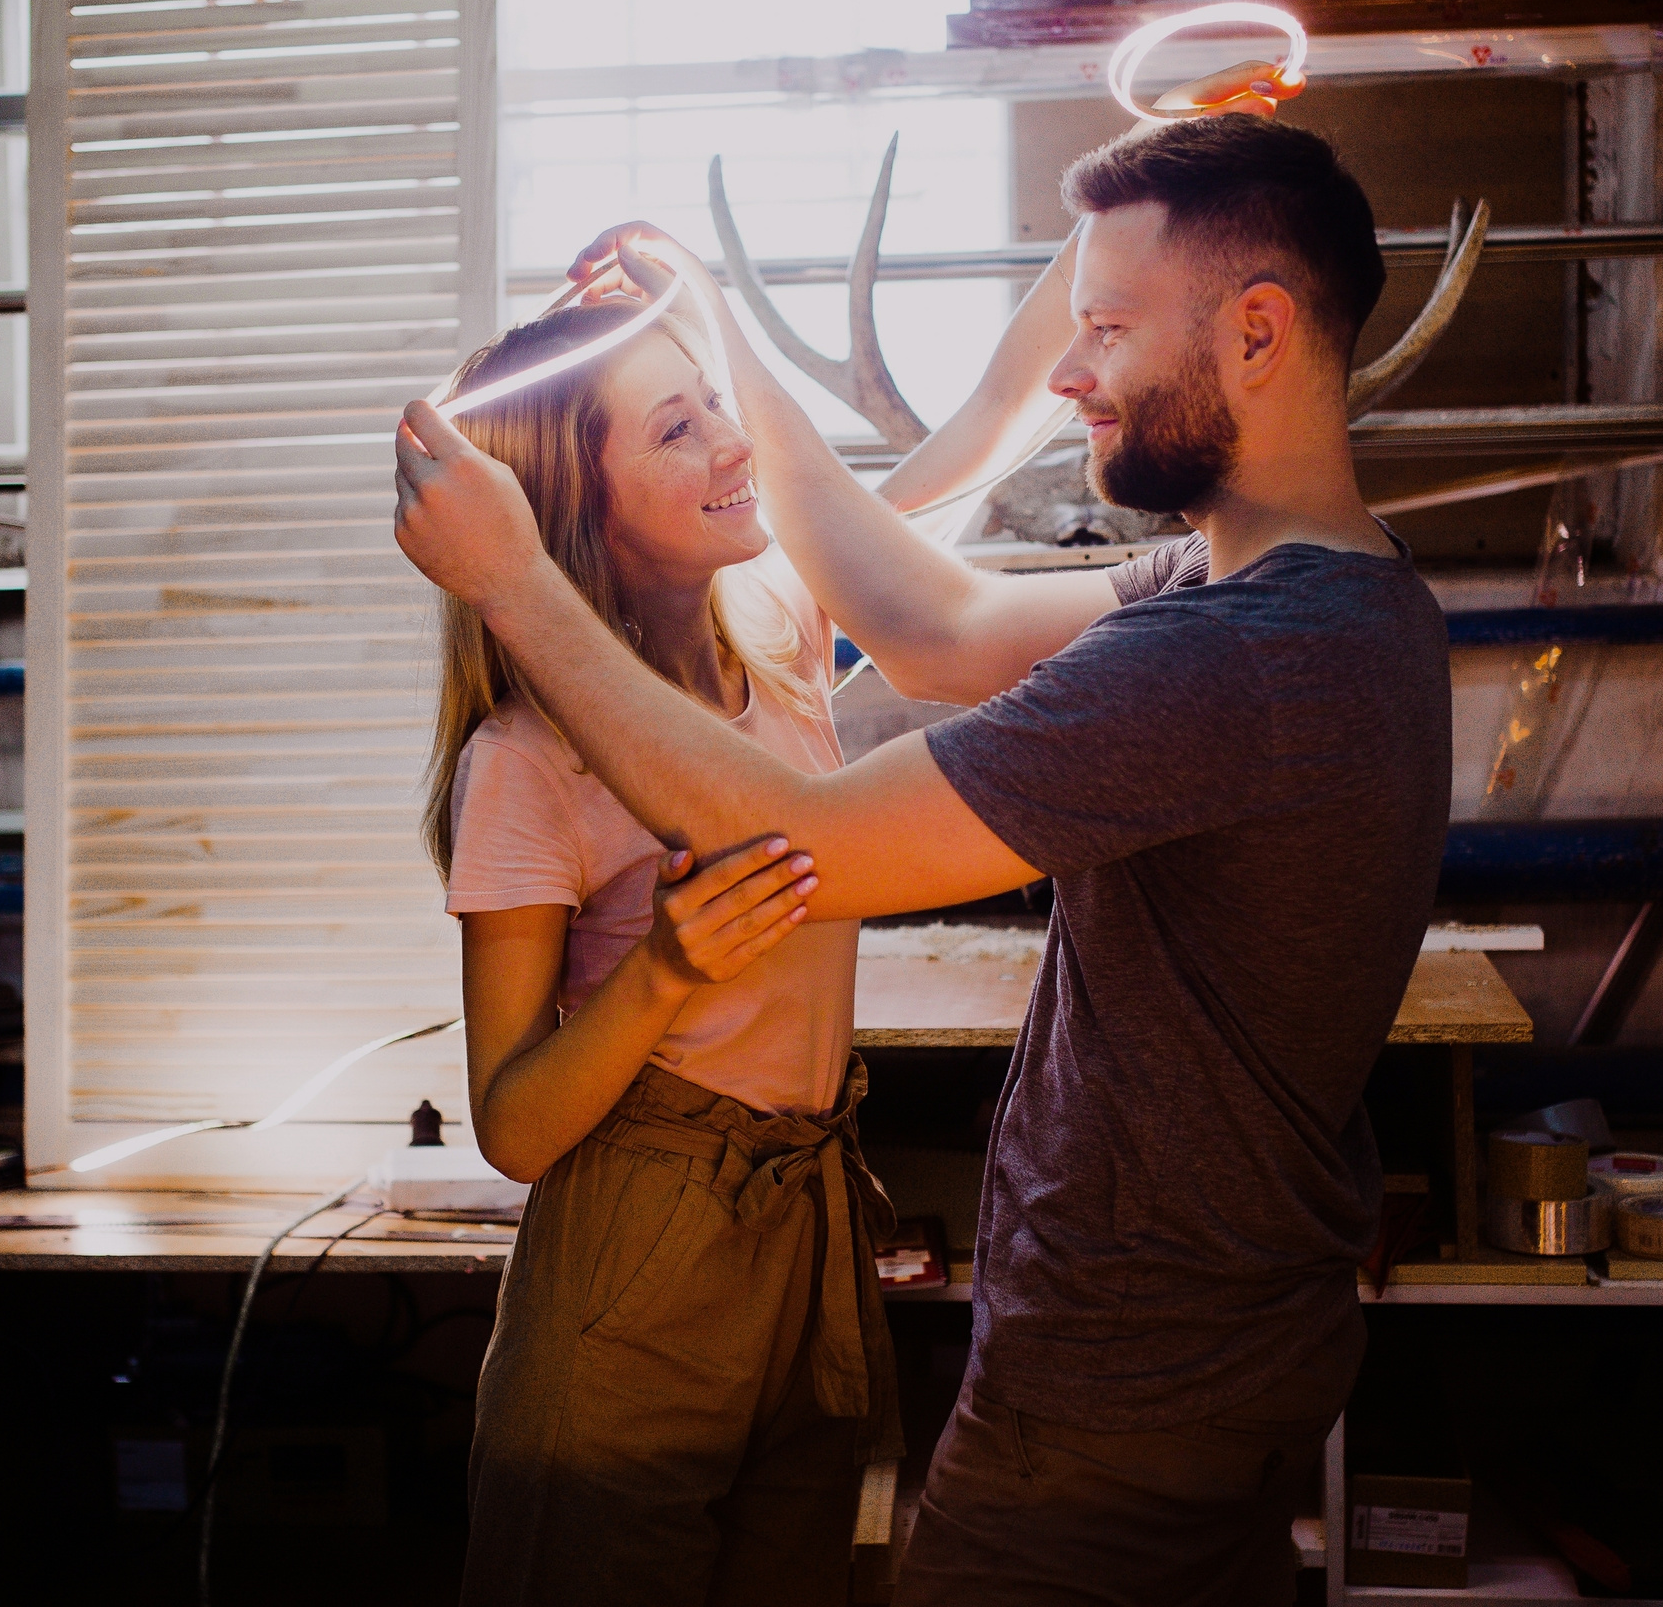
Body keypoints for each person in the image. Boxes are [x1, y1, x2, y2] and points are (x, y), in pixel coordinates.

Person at [398, 112, 1453, 1604]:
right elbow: (934, 625)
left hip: (1130, 1368)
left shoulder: (1241, 657)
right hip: (1205, 1345)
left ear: (1259, 332)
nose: (1068, 373)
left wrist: (508, 579)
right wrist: (717, 330)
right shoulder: (1272, 591)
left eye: (1104, 328)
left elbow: (805, 841)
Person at [427, 302, 902, 1605]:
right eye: (677, 427)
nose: (731, 445)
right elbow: (514, 1128)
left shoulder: (786, 650)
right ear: (578, 505)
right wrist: (665, 971)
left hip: (804, 1224)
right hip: (636, 1251)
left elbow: (947, 477)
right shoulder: (526, 760)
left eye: (713, 406)